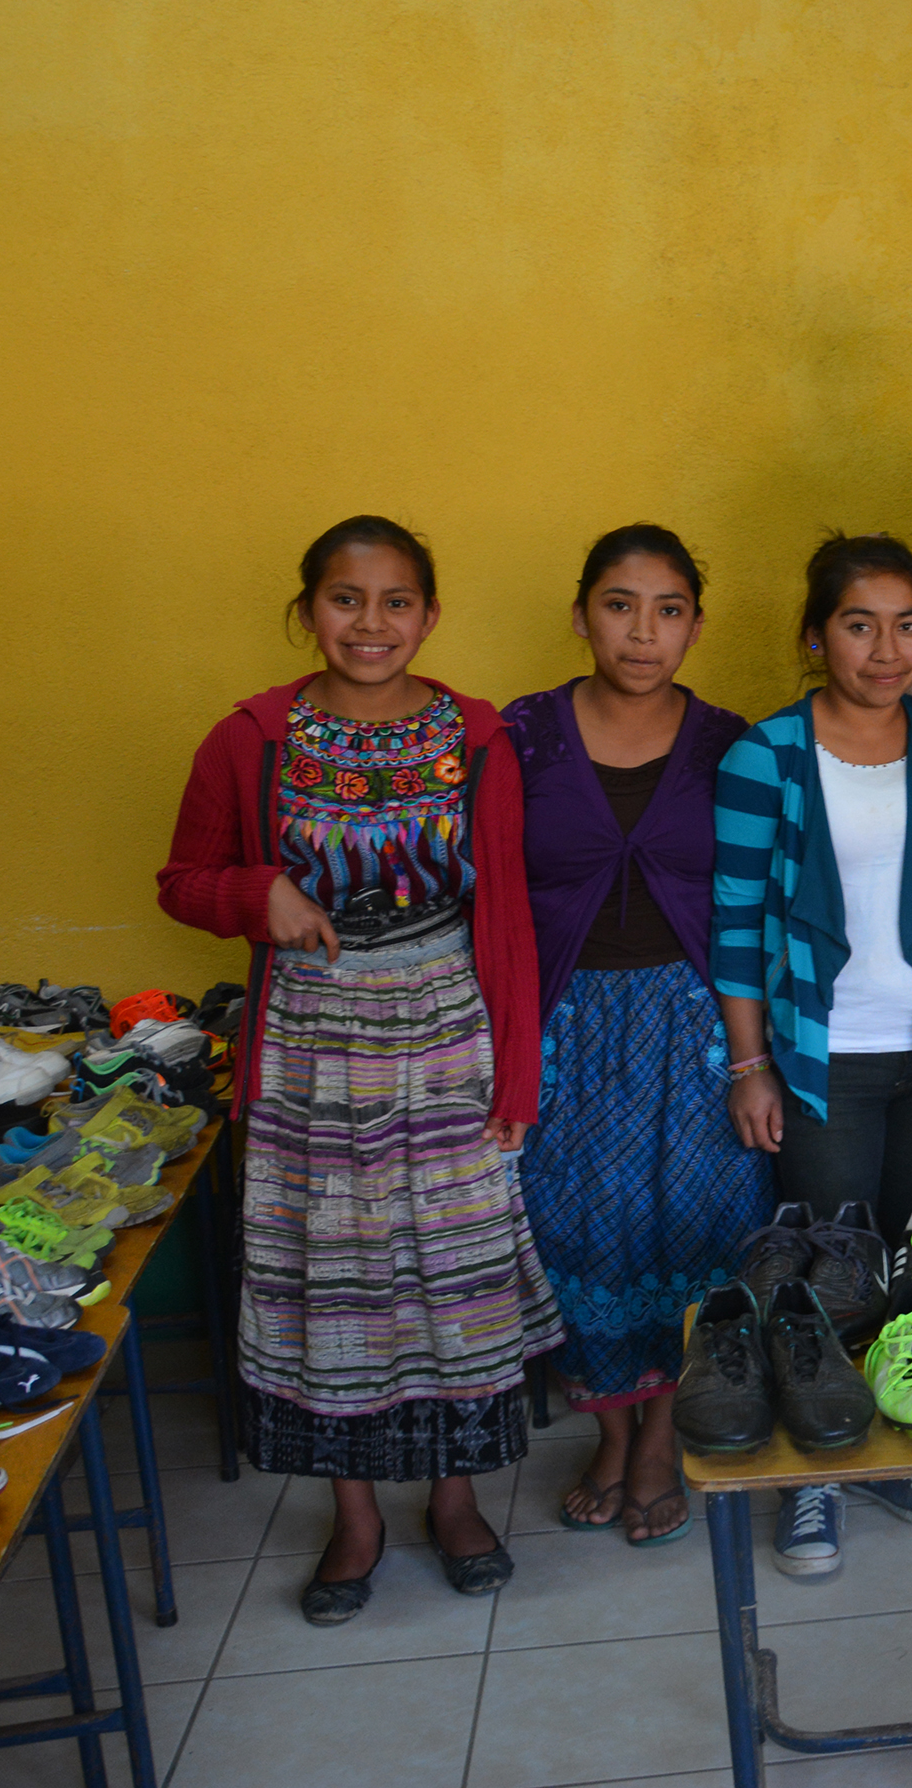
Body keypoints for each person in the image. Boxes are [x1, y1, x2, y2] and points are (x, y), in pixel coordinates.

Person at [156, 515, 562, 1626]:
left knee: (453, 1270)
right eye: (346, 598)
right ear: (308, 610)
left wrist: (514, 1073)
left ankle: (456, 1495)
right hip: (311, 1043)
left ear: (429, 616)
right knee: (325, 1277)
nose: (369, 623)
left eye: (395, 602)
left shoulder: (477, 737)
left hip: (445, 1027)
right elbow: (183, 877)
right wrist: (257, 894)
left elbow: (509, 912)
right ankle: (355, 1514)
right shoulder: (248, 739)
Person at [711, 532, 912, 1573]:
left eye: (909, 625)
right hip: (823, 1055)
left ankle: (886, 1439)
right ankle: (812, 1473)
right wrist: (750, 1066)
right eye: (860, 623)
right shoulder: (767, 753)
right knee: (828, 1268)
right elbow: (737, 919)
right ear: (814, 635)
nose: (888, 649)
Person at [505, 526, 767, 1550]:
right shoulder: (520, 735)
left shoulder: (727, 744)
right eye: (619, 604)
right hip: (566, 1026)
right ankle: (608, 1429)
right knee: (571, 1232)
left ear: (695, 624)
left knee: (693, 1230)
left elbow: (763, 897)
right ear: (581, 614)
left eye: (668, 609)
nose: (642, 631)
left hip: (699, 1027)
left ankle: (660, 1433)